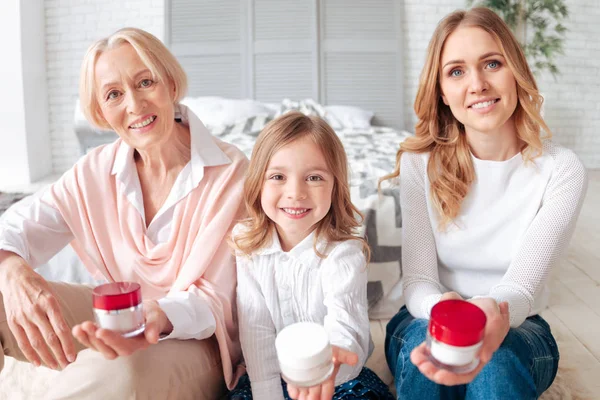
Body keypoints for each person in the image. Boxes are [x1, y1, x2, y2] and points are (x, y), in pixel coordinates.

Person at [0, 27, 247, 399]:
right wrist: (11, 268)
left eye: (145, 82)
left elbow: (214, 301)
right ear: (101, 111)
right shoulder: (94, 171)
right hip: (120, 315)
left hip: (196, 339)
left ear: (170, 84)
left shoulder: (232, 173)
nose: (134, 105)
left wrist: (155, 317)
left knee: (118, 370)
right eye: (114, 94)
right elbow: (17, 225)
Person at [383, 7, 588, 400]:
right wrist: (446, 312)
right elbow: (419, 281)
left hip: (516, 326)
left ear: (516, 71)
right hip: (426, 316)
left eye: (491, 63)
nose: (476, 84)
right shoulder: (418, 165)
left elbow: (522, 287)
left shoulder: (562, 170)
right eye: (456, 71)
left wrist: (486, 315)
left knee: (496, 364)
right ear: (442, 92)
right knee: (429, 355)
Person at [227, 112, 394, 400]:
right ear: (258, 183)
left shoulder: (342, 252)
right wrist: (268, 395)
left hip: (338, 380)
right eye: (278, 176)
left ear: (335, 186)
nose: (295, 193)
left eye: (314, 177)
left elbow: (347, 329)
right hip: (271, 378)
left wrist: (326, 368)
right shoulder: (248, 246)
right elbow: (257, 330)